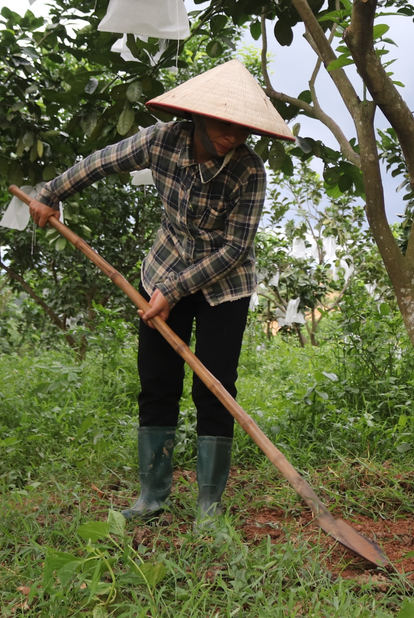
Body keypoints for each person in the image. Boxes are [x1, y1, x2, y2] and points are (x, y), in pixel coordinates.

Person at [28, 59, 294, 523]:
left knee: (216, 389)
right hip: (163, 267)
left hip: (225, 285)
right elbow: (101, 162)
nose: (232, 136)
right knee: (157, 383)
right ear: (198, 116)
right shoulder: (162, 140)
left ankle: (209, 509)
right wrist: (51, 194)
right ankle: (151, 498)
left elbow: (235, 249)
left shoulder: (249, 171)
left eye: (241, 128)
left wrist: (174, 290)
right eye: (223, 124)